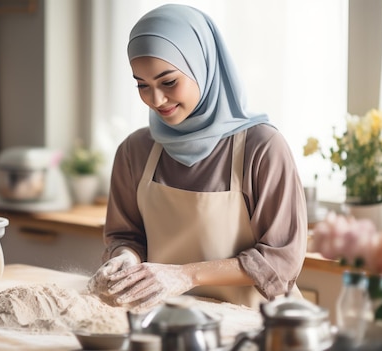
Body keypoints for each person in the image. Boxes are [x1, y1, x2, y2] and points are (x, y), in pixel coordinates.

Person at [88, 4, 307, 312]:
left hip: (256, 328)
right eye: (142, 85)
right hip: (169, 325)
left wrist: (185, 275)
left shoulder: (262, 148)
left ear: (202, 65)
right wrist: (125, 257)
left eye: (168, 82)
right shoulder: (134, 151)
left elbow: (280, 261)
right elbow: (125, 236)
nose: (156, 100)